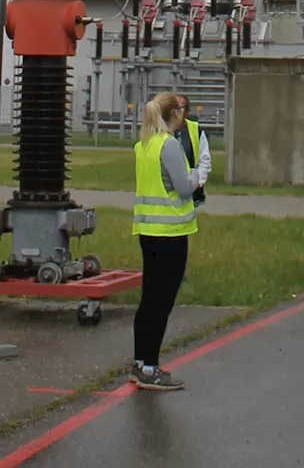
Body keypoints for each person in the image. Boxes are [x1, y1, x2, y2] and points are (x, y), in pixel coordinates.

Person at [130, 92, 200, 391]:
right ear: (177, 114)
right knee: (162, 302)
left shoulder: (143, 145)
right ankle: (150, 367)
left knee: (149, 299)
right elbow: (184, 187)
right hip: (170, 233)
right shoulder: (169, 145)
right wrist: (199, 174)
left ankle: (140, 362)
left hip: (148, 231)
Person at [175, 95, 211, 207]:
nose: (177, 112)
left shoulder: (195, 129)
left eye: (181, 108)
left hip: (191, 184)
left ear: (187, 111)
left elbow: (204, 158)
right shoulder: (162, 129)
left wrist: (199, 182)